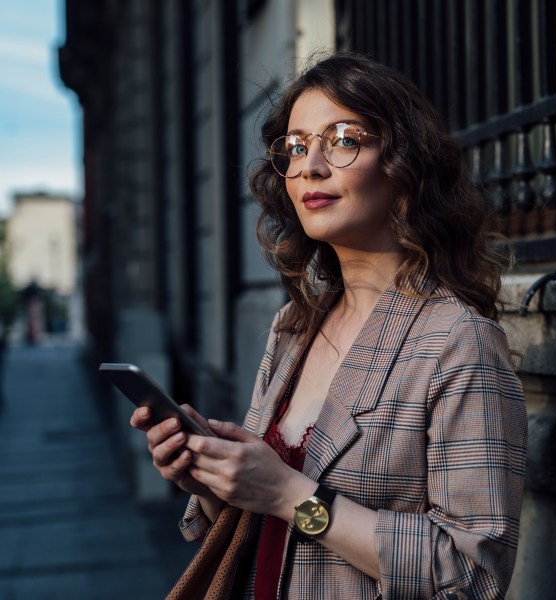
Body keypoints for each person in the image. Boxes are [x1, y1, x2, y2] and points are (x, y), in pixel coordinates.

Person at [131, 52, 528, 599]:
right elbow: (262, 511)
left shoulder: (459, 342)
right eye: (296, 147)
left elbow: (472, 574)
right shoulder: (294, 326)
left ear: (404, 163)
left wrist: (292, 496)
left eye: (343, 139)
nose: (310, 166)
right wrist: (212, 479)